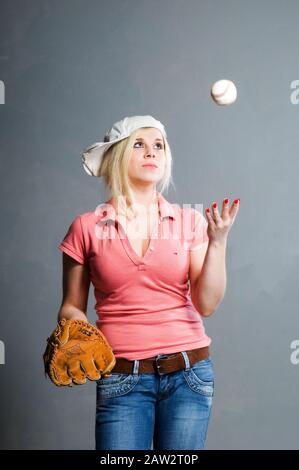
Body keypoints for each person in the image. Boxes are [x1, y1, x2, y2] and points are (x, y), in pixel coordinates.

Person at [57, 115, 240, 450]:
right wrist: (76, 330)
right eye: (139, 144)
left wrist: (218, 242)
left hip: (189, 374)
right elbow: (71, 305)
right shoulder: (85, 227)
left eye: (159, 146)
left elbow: (207, 305)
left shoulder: (189, 221)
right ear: (117, 154)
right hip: (121, 377)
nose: (151, 152)